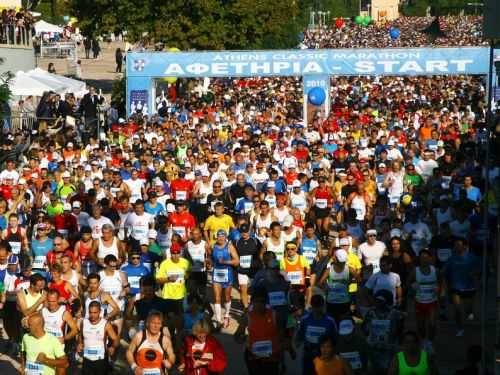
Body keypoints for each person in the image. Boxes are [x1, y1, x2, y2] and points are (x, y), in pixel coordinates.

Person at [406, 249, 440, 353]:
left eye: (426, 257)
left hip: (432, 302)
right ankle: (424, 341)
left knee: (432, 324)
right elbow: (407, 283)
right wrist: (412, 286)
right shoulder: (415, 271)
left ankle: (429, 342)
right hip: (419, 302)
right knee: (420, 326)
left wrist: (440, 290)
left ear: (430, 258)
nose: (424, 260)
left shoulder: (435, 270)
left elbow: (442, 282)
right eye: (422, 258)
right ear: (419, 259)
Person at [296, 294, 338, 375]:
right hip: (309, 355)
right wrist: (298, 343)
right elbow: (299, 336)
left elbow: (335, 339)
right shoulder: (305, 320)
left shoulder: (330, 321)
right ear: (312, 306)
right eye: (315, 306)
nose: (317, 309)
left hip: (324, 356)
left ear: (323, 306)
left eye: (319, 306)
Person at [126, 310, 176, 374]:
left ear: (161, 325)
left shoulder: (165, 340)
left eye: (158, 323)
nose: (155, 326)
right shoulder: (139, 336)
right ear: (147, 323)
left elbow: (172, 355)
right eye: (153, 323)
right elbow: (129, 352)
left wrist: (170, 362)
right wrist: (134, 367)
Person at [77, 301, 119, 375]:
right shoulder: (83, 322)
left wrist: (113, 347)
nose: (92, 315)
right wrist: (80, 343)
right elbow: (81, 335)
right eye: (90, 312)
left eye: (95, 312)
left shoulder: (105, 324)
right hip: (87, 358)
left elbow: (116, 339)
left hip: (101, 359)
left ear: (100, 312)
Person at [211, 229, 239, 329]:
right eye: (219, 236)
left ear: (225, 237)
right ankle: (218, 320)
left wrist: (225, 262)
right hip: (216, 274)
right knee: (217, 298)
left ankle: (226, 315)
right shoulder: (213, 246)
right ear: (216, 237)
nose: (221, 238)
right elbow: (211, 259)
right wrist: (209, 262)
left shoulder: (229, 246)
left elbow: (236, 261)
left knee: (227, 297)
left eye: (223, 236)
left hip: (227, 274)